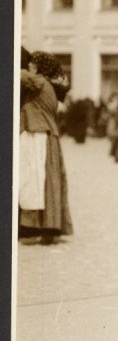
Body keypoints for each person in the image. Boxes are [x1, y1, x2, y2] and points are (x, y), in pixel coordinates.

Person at [19, 50, 74, 245]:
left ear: (40, 68)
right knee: (48, 182)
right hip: (46, 135)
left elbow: (18, 74)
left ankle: (40, 228)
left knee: (36, 181)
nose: (30, 66)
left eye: (34, 63)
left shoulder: (39, 81)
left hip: (40, 135)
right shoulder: (48, 85)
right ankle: (49, 228)